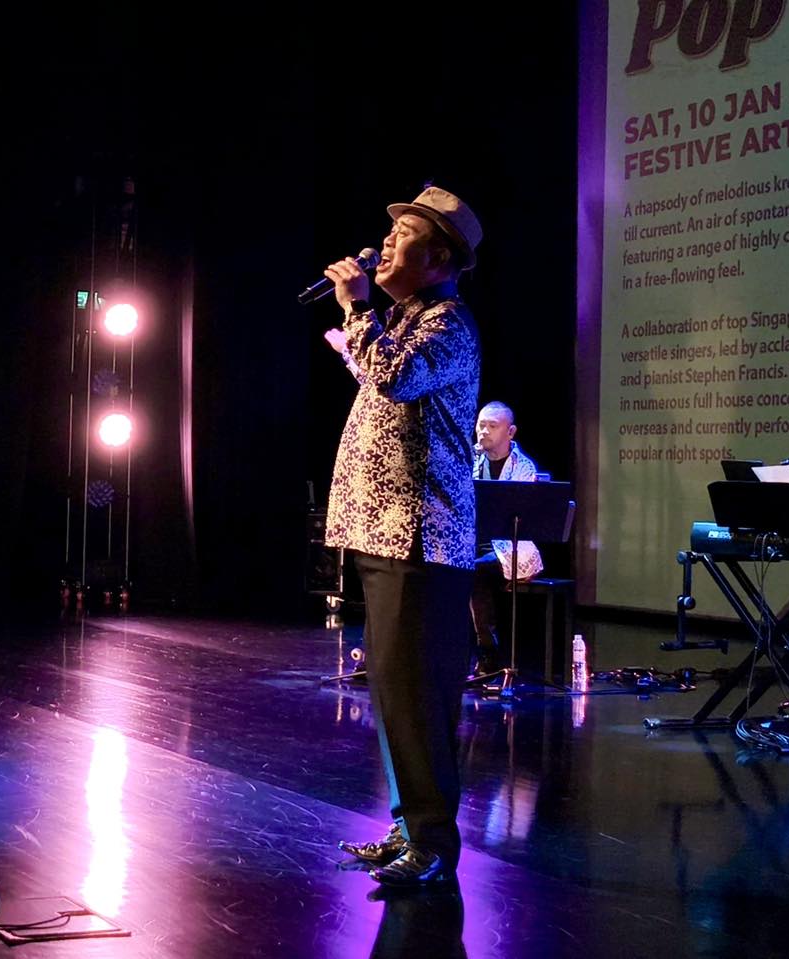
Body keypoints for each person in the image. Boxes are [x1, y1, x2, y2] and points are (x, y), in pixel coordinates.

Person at [322, 186, 482, 888]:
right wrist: (358, 336)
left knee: (415, 693)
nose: (382, 246)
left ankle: (433, 842)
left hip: (419, 538)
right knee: (393, 690)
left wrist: (357, 311)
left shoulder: (448, 324)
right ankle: (408, 824)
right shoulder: (406, 320)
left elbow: (396, 378)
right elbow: (385, 379)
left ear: (438, 257)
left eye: (402, 236)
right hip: (382, 532)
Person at [468, 401, 543, 674]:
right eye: (481, 425)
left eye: (492, 426)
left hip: (512, 548)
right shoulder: (471, 462)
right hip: (475, 545)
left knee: (474, 571)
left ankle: (488, 652)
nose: (484, 431)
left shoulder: (524, 468)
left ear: (510, 432)